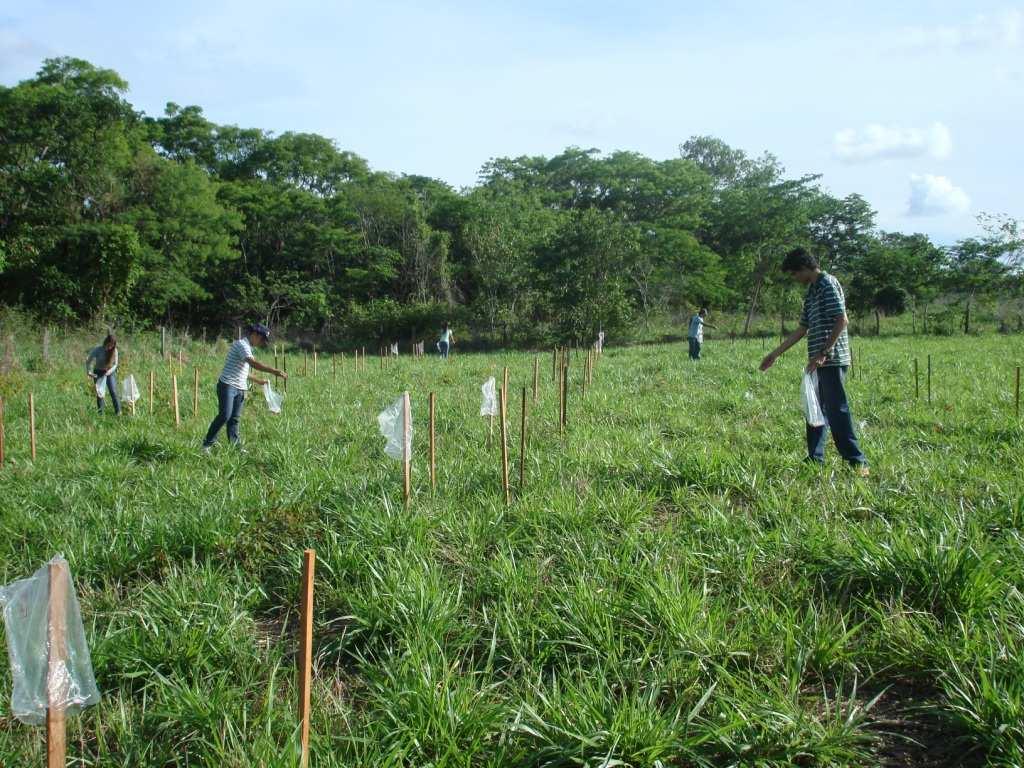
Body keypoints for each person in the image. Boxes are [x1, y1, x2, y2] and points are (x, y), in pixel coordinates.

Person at [760, 248, 869, 476]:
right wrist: (774, 353)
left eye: (793, 273)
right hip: (818, 361)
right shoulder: (812, 291)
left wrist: (823, 352)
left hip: (831, 359)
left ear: (803, 268)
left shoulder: (827, 284)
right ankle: (814, 458)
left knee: (836, 410)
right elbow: (802, 329)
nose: (794, 279)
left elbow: (842, 320)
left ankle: (857, 461)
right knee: (815, 409)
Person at [202, 324, 286, 451]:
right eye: (262, 339)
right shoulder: (241, 345)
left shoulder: (248, 348)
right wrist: (274, 371)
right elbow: (253, 363)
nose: (262, 343)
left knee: (234, 419)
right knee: (225, 415)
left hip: (240, 388)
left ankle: (235, 447)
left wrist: (259, 381)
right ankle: (207, 444)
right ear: (255, 335)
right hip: (228, 386)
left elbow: (244, 372)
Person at [86, 334, 121, 415]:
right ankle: (100, 413)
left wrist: (110, 371)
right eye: (109, 345)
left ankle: (118, 412)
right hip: (98, 372)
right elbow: (88, 360)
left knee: (113, 391)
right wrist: (88, 371)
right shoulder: (98, 349)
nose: (110, 347)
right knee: (100, 393)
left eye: (112, 346)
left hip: (110, 372)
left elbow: (116, 364)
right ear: (105, 342)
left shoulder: (114, 351)